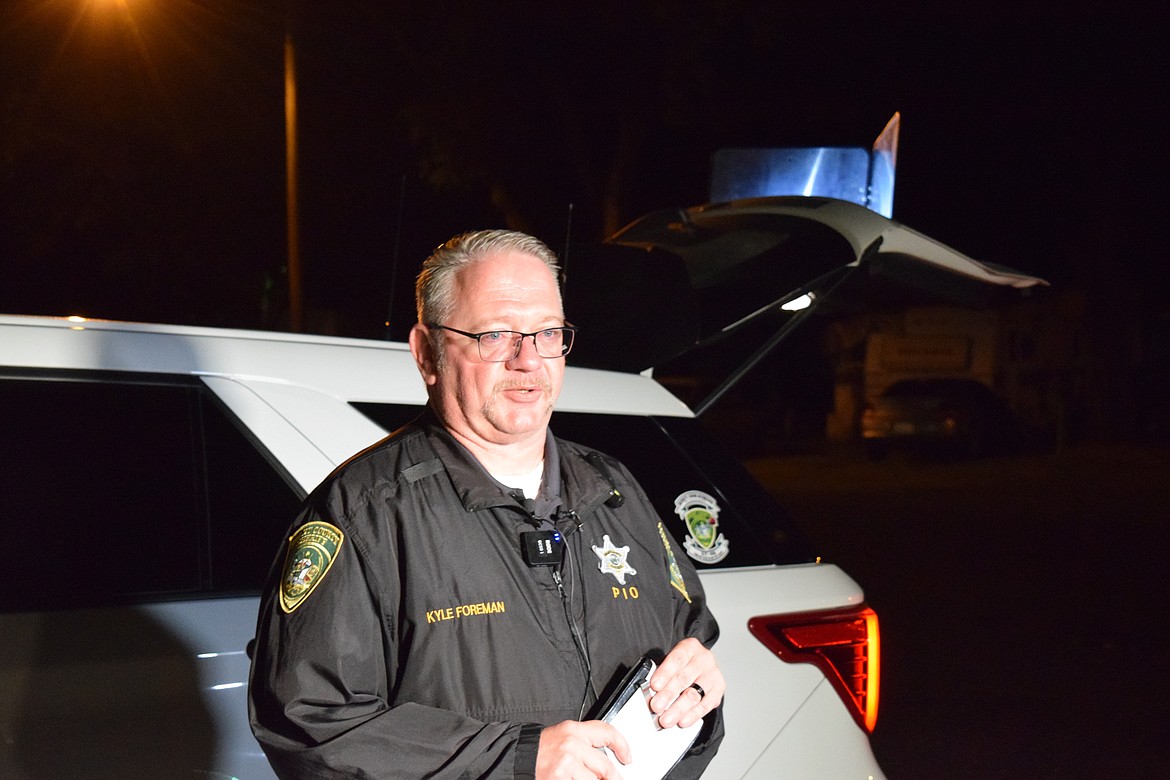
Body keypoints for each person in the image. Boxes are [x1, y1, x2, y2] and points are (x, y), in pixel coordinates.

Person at [248, 229, 725, 779]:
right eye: (494, 335)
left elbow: (693, 648)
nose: (527, 361)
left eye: (547, 333)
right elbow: (308, 725)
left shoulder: (614, 491)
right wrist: (516, 762)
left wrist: (697, 701)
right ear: (427, 354)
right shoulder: (365, 516)